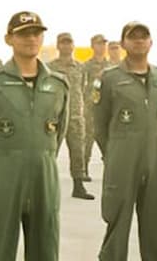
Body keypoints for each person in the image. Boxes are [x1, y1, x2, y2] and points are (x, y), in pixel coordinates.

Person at [0, 11, 69, 261]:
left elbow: (59, 130)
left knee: (45, 244)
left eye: (36, 33)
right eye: (23, 34)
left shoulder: (57, 83)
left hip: (43, 173)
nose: (30, 39)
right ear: (9, 38)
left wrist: (42, 157)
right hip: (3, 170)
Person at [93, 21, 157, 261]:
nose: (139, 41)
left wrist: (154, 138)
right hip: (122, 158)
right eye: (133, 37)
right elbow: (99, 124)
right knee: (117, 221)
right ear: (123, 44)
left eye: (144, 36)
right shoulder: (109, 78)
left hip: (156, 159)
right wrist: (114, 151)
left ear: (151, 42)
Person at [47, 31, 94, 200]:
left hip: (75, 115)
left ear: (73, 45)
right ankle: (48, 186)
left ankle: (78, 186)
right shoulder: (50, 68)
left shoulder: (80, 67)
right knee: (51, 152)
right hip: (55, 115)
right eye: (63, 43)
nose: (66, 46)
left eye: (69, 42)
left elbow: (82, 88)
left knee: (78, 151)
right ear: (58, 45)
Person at [82, 33, 110, 168]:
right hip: (90, 106)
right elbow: (81, 85)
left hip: (107, 107)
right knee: (88, 138)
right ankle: (84, 167)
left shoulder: (111, 66)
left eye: (104, 44)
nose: (102, 46)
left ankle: (110, 165)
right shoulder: (86, 66)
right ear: (92, 46)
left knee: (108, 139)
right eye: (99, 43)